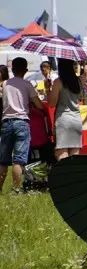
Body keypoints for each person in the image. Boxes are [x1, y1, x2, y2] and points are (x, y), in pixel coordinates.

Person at [1, 58, 45, 193]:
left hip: (6, 122)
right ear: (26, 70)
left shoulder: (6, 83)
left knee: (3, 160)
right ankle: (15, 189)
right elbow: (39, 105)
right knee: (18, 159)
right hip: (21, 122)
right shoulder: (27, 84)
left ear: (12, 69)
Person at [48, 59, 87, 161]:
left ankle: (64, 176)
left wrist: (49, 89)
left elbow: (51, 103)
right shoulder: (79, 80)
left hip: (63, 119)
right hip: (76, 120)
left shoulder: (58, 82)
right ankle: (73, 176)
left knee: (61, 153)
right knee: (75, 154)